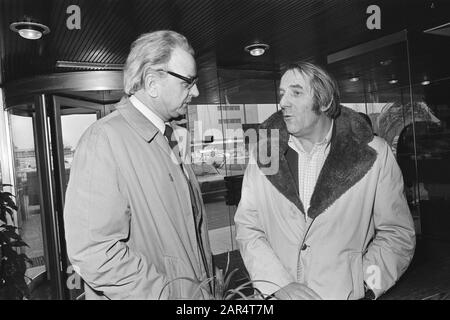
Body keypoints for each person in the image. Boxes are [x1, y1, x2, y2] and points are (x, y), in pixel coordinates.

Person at [234, 62, 416, 300]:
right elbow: (248, 228)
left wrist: (364, 286)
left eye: (296, 92)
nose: (283, 102)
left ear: (326, 102)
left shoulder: (375, 154)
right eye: (282, 93)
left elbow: (397, 234)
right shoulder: (264, 155)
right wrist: (277, 285)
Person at [64, 30, 213, 300]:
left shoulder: (170, 138)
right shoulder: (103, 140)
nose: (197, 91)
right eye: (188, 82)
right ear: (152, 81)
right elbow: (94, 252)